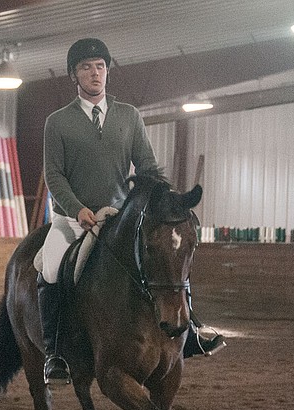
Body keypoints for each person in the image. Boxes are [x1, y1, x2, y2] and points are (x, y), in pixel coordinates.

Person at [39, 38, 225, 386]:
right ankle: (56, 352)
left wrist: (161, 202)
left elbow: (148, 167)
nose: (94, 74)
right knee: (50, 267)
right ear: (73, 75)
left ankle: (191, 332)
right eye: (86, 67)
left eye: (100, 67)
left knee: (167, 256)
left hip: (118, 215)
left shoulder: (129, 115)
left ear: (107, 72)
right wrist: (77, 209)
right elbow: (54, 175)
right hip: (72, 220)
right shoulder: (58, 122)